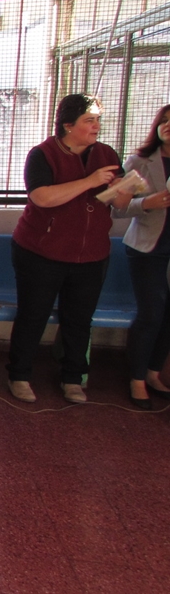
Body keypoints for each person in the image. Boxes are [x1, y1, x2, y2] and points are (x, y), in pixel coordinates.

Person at [7, 94, 130, 404]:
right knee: (33, 315)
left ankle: (73, 378)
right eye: (89, 121)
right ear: (68, 125)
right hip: (41, 252)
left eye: (98, 120)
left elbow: (120, 203)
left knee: (79, 319)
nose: (96, 126)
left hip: (92, 254)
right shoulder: (42, 154)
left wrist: (122, 189)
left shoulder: (107, 154)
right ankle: (19, 375)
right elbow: (42, 197)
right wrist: (90, 181)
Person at [111, 104, 170, 409]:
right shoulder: (139, 162)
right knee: (152, 312)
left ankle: (153, 373)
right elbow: (118, 208)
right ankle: (136, 379)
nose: (168, 125)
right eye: (164, 120)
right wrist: (148, 203)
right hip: (147, 249)